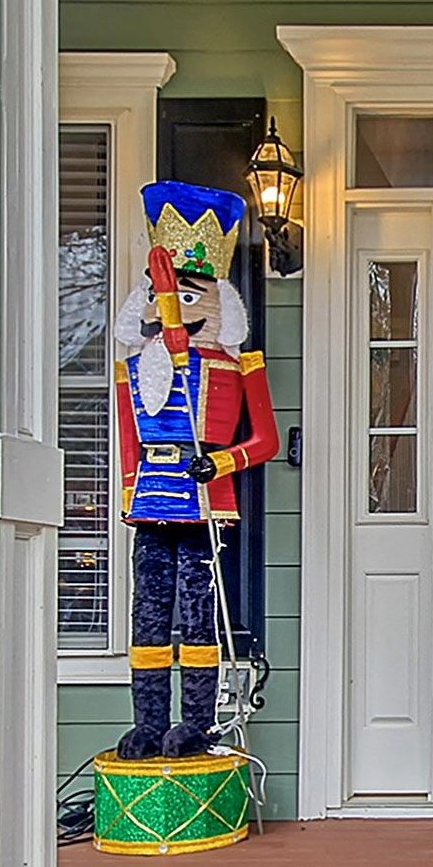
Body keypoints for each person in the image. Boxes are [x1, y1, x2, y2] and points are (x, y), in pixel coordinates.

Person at [112, 181, 279, 760]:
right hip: (151, 501)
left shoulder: (239, 367)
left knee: (199, 612)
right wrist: (131, 491)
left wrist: (221, 461)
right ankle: (148, 722)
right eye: (162, 296)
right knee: (149, 615)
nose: (172, 310)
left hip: (205, 500)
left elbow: (265, 439)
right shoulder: (135, 370)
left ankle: (197, 724)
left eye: (188, 296)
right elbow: (128, 443)